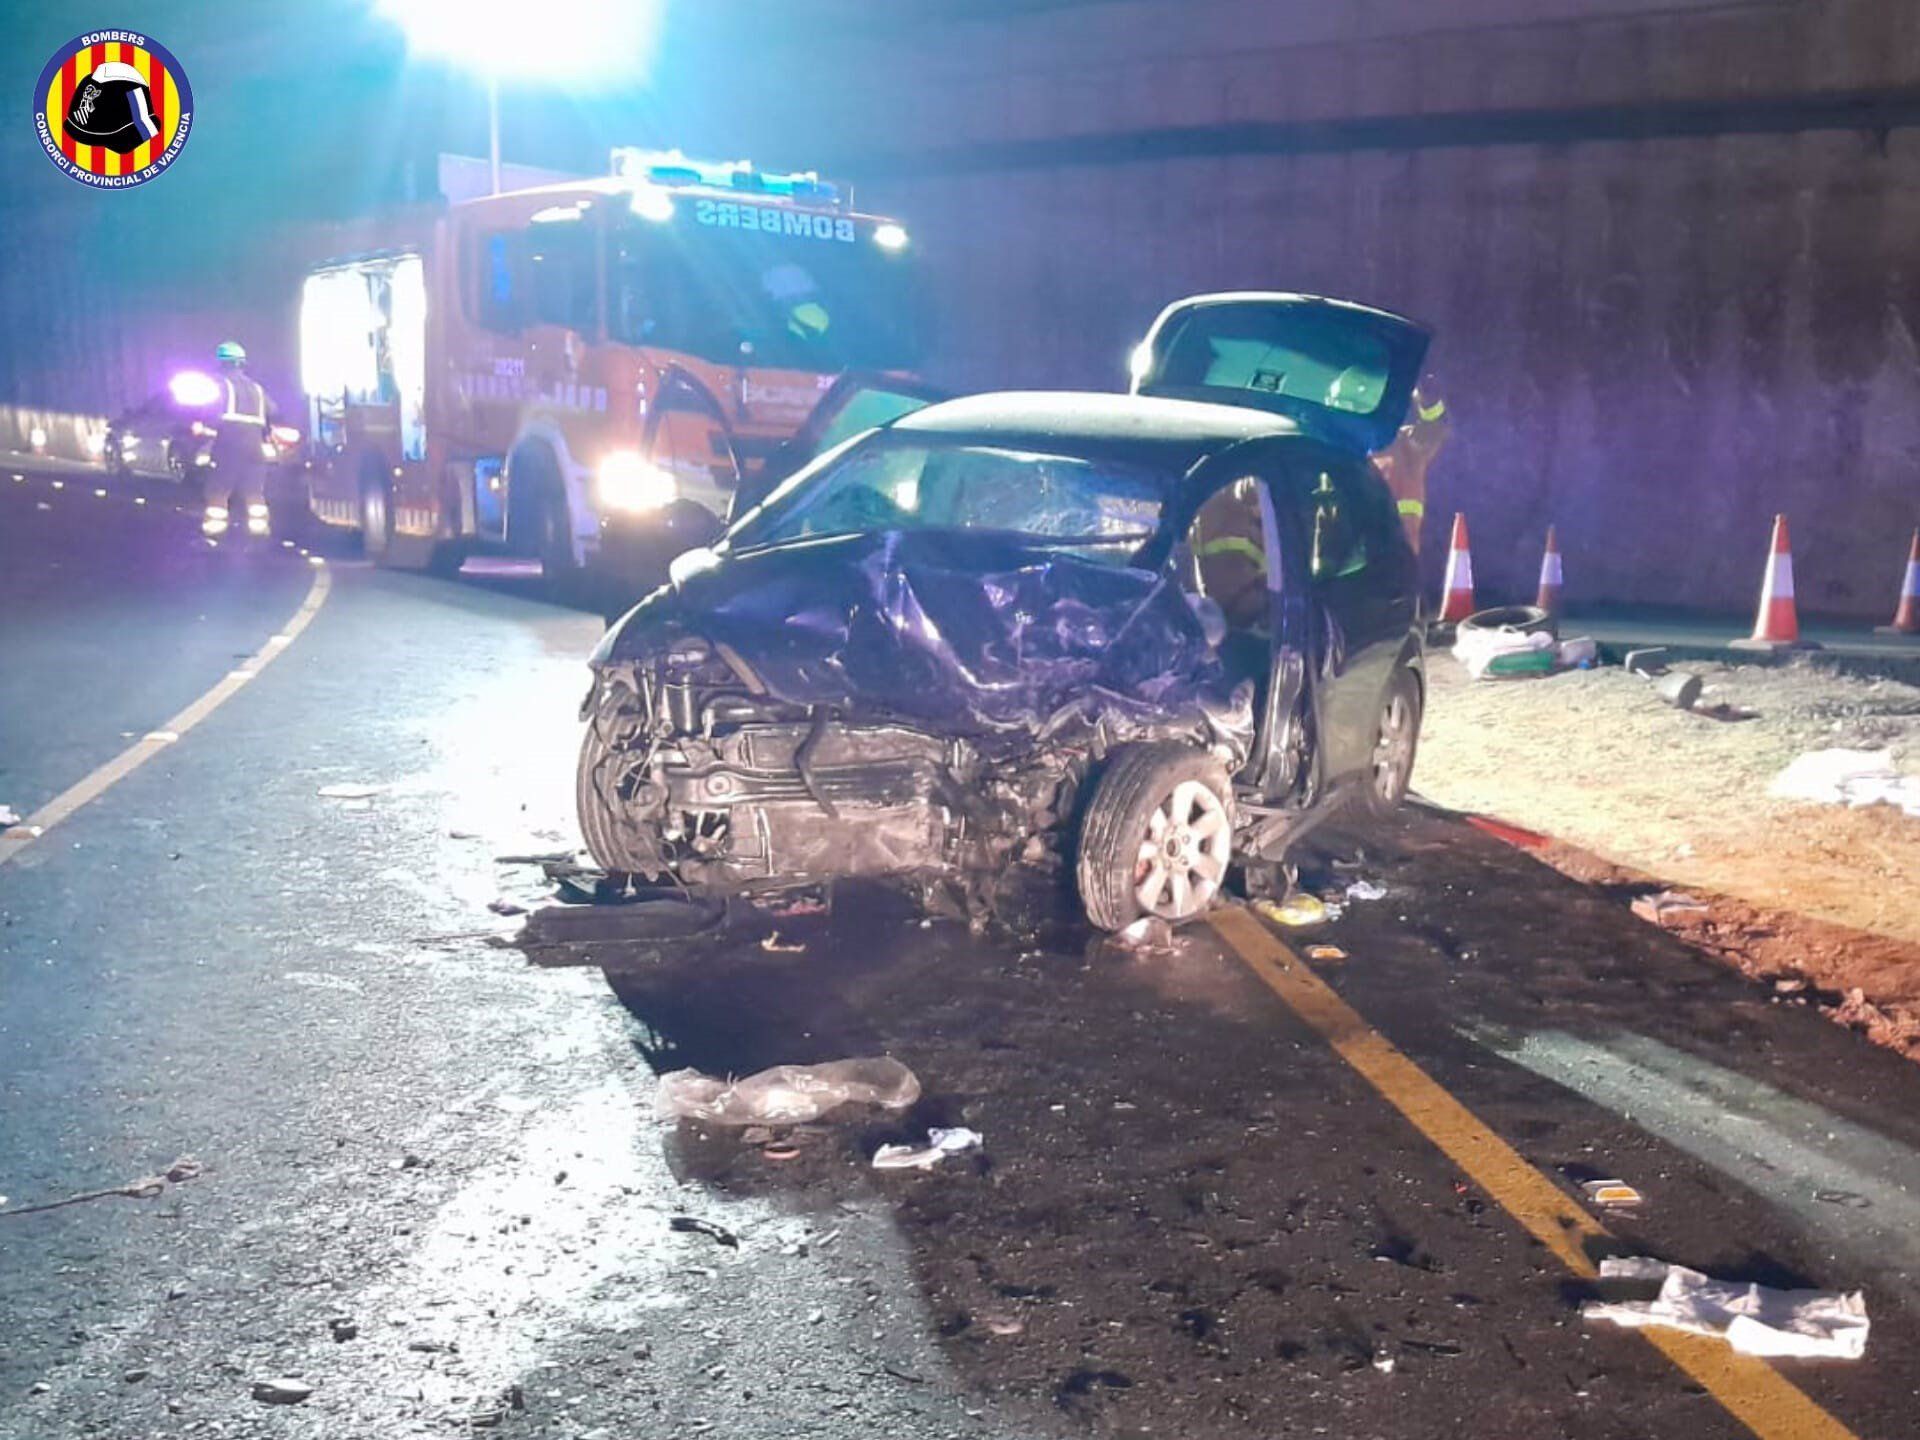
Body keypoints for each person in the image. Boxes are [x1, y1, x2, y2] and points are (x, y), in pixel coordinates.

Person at [202, 341, 278, 538]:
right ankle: (259, 530)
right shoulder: (258, 389)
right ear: (242, 364)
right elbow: (273, 410)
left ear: (222, 363)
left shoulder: (220, 385)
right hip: (255, 447)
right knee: (254, 490)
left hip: (229, 445)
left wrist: (203, 426)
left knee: (219, 489)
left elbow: (210, 411)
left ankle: (215, 531)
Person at [1373, 378, 1451, 552]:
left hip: (1396, 561)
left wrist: (1428, 398)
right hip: (1354, 566)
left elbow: (1434, 430)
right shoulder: (1341, 452)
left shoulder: (1404, 444)